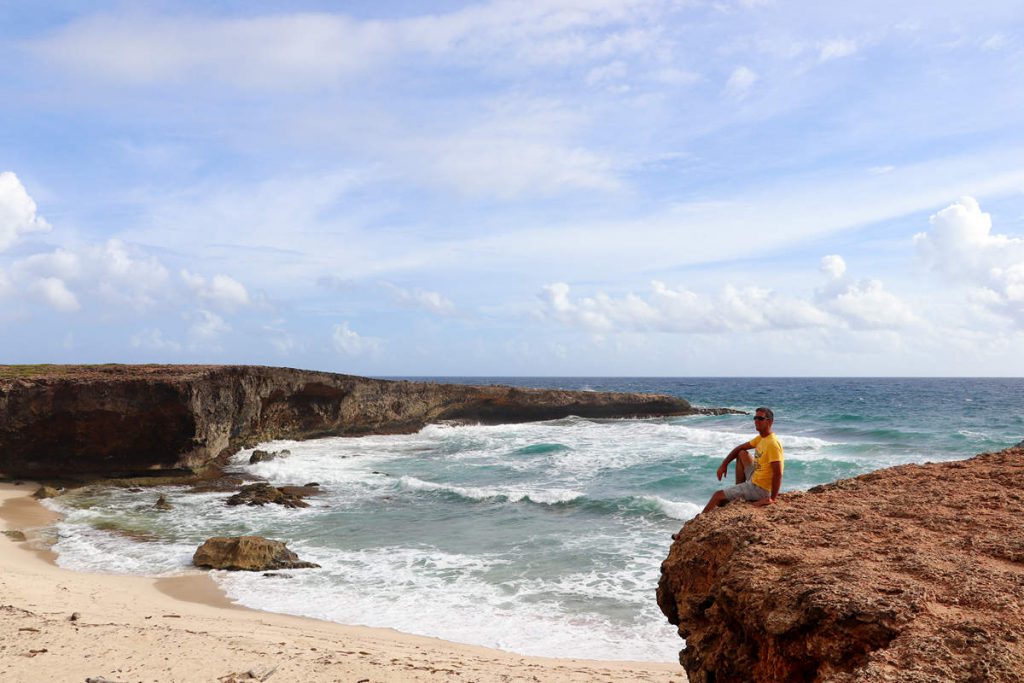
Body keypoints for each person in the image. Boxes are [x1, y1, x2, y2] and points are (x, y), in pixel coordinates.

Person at [701, 406, 784, 514]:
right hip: (756, 476)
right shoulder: (761, 438)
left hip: (760, 488)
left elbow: (778, 474)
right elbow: (740, 448)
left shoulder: (772, 444)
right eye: (755, 418)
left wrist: (772, 498)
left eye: (760, 418)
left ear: (770, 422)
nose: (756, 421)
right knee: (742, 453)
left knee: (718, 495)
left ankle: (697, 522)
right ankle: (738, 489)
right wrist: (724, 465)